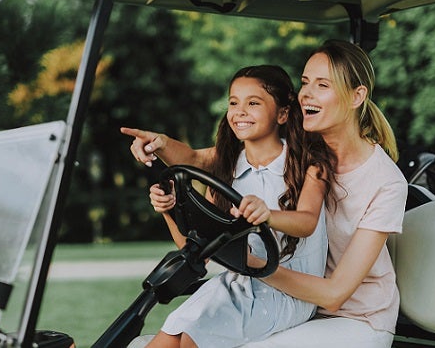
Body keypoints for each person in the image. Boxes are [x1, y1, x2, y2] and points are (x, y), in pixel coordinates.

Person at [122, 40, 407, 348]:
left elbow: (335, 294)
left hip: (355, 317)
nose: (306, 94)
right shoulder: (298, 151)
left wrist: (248, 263)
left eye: (322, 85)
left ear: (357, 96)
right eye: (304, 83)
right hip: (286, 298)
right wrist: (160, 144)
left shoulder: (385, 182)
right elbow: (195, 160)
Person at [128, 65, 331, 348]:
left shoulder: (307, 165)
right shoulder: (227, 167)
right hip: (238, 284)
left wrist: (267, 215)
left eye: (253, 103)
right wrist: (169, 210)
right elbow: (199, 248)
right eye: (234, 103)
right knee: (168, 337)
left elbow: (307, 221)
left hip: (288, 292)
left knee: (191, 339)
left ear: (282, 114)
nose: (240, 111)